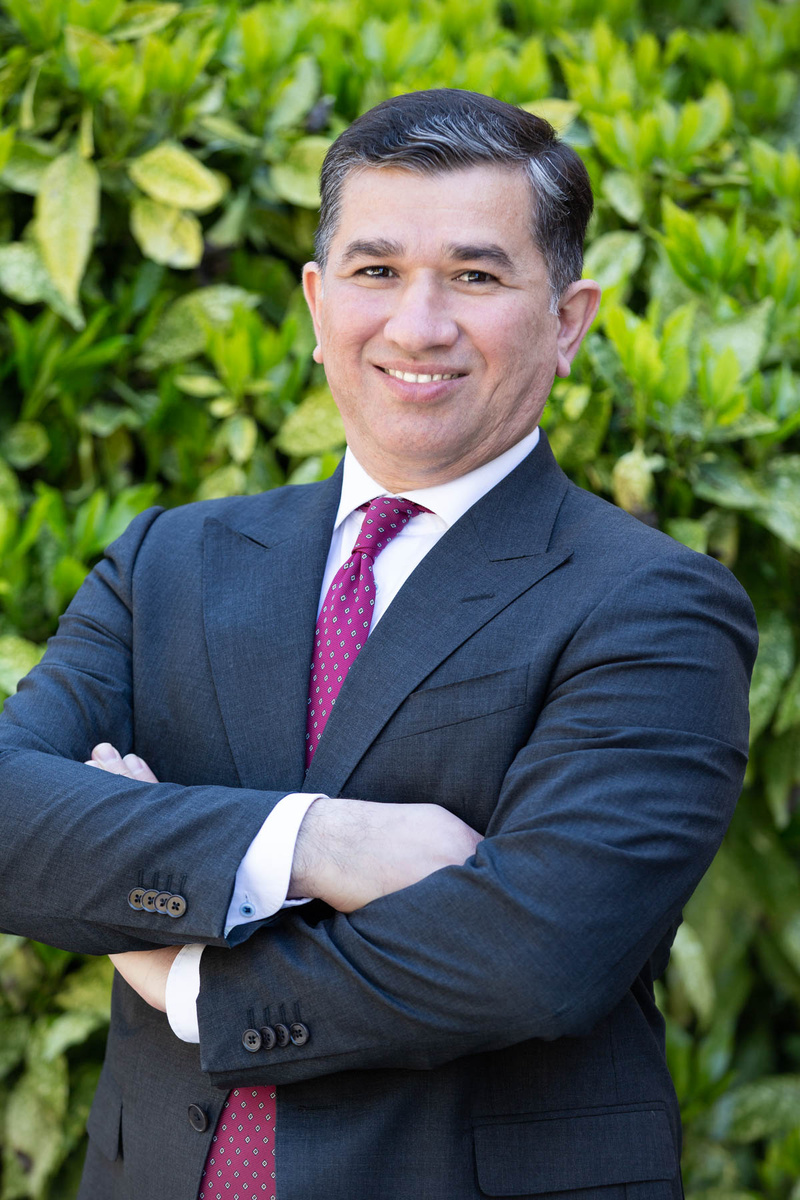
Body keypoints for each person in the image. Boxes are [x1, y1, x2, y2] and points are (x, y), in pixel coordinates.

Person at [0, 89, 757, 1200]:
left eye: (476, 276)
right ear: (317, 304)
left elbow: (532, 956)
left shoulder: (655, 605)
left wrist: (187, 980)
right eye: (376, 270)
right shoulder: (172, 560)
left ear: (567, 321)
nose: (417, 325)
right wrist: (315, 842)